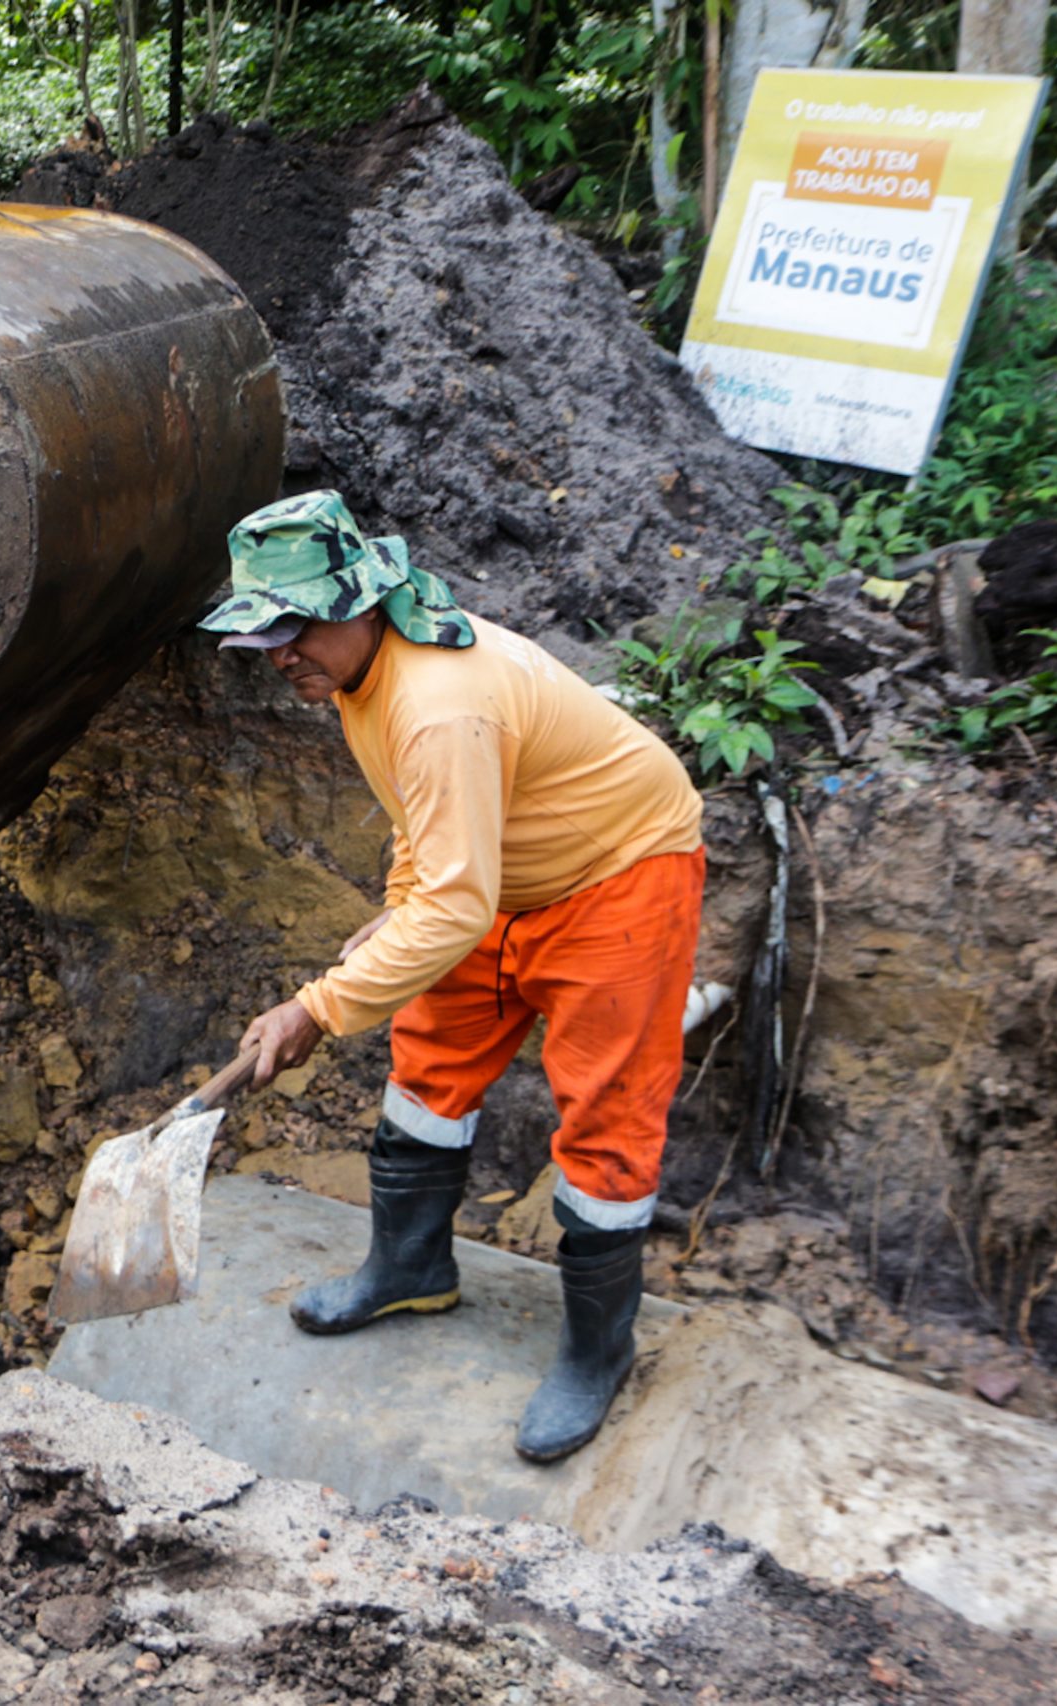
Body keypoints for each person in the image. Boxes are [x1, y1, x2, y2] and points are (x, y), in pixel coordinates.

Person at [204, 492, 705, 1462]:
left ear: (361, 598)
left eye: (295, 626)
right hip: (495, 882)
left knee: (605, 1115)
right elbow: (426, 825)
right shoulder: (364, 676)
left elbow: (454, 894)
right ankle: (409, 1264)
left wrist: (316, 1007)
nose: (279, 654)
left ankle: (596, 1349)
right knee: (429, 1062)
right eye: (263, 633)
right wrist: (403, 897)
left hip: (618, 875)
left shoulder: (437, 699)